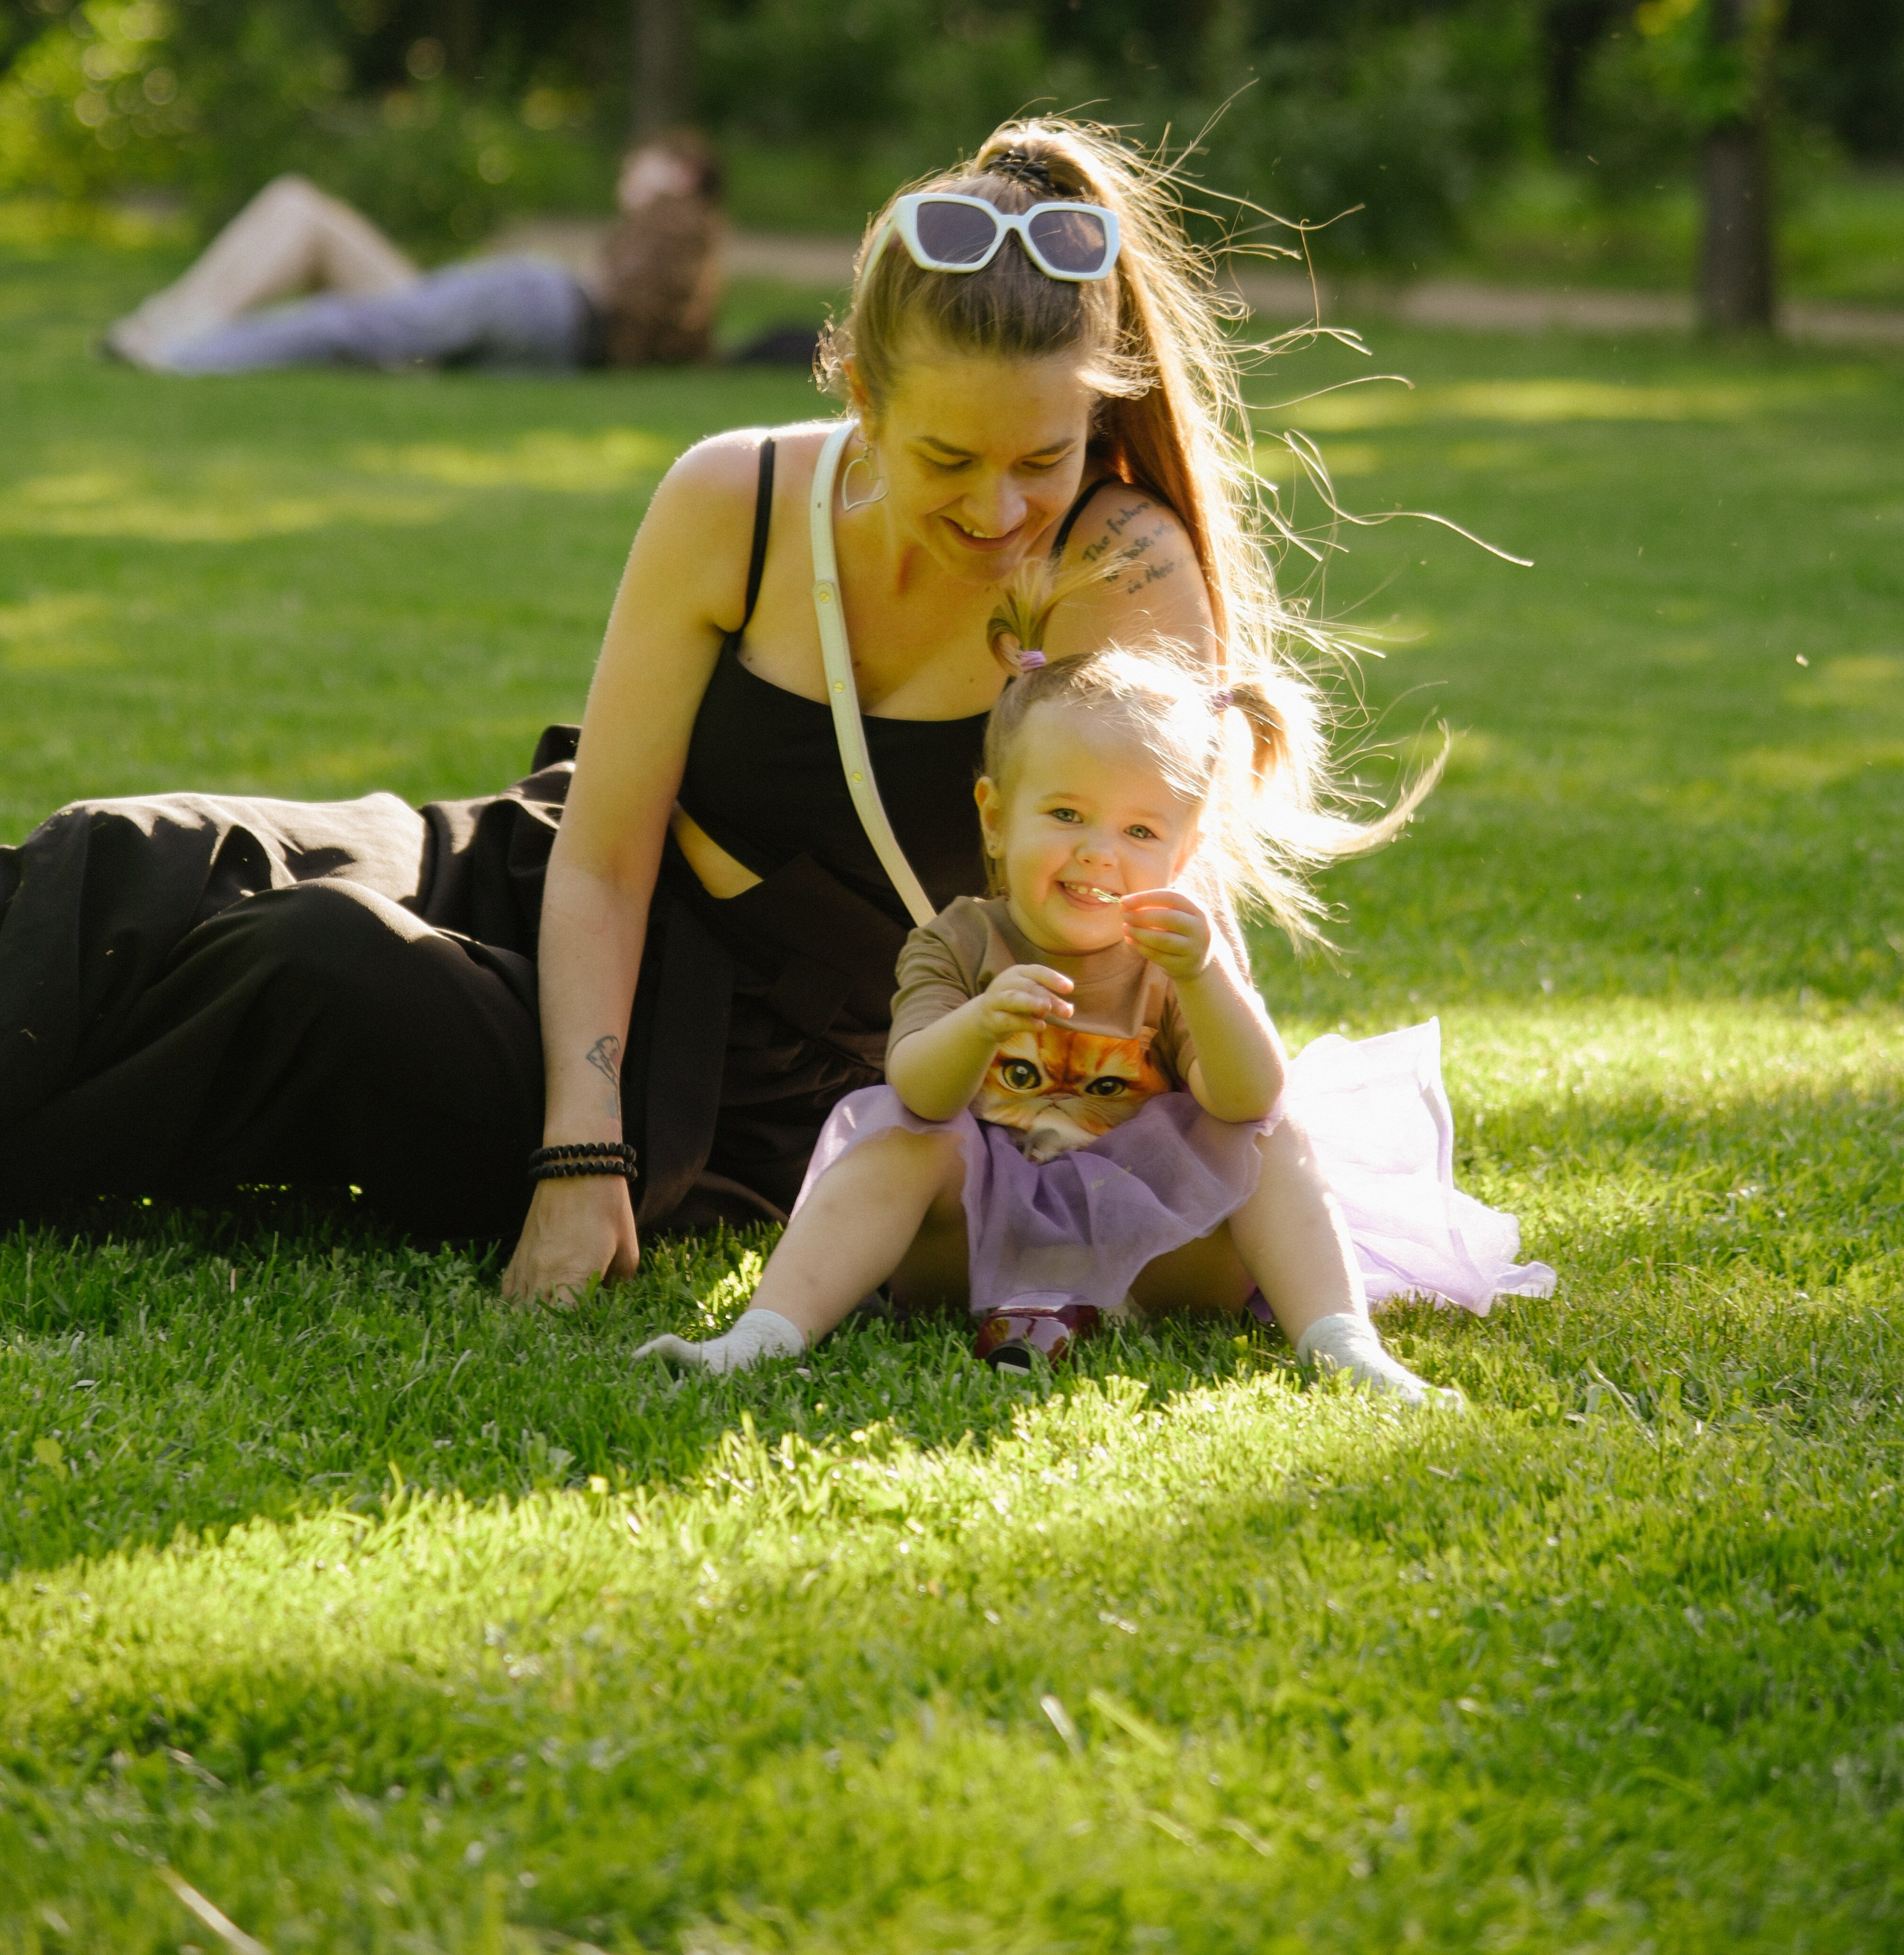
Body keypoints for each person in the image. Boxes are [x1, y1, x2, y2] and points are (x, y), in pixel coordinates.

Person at [0, 118, 1489, 1314]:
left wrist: (596, 1159)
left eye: (1040, 456)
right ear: (854, 385)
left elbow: (1148, 928)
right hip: (557, 890)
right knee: (137, 854)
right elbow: (597, 856)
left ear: (1095, 412)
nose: (997, 504)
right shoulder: (739, 496)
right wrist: (564, 1145)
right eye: (945, 456)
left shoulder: (1121, 575)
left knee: (313, 969)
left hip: (740, 1081)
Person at [632, 604, 1551, 1402]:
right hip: (968, 1249)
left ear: (1183, 852)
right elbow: (913, 1083)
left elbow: (1249, 1098)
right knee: (899, 1142)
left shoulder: (1173, 959)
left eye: (1140, 830)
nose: (1098, 852)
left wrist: (1208, 981)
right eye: (1065, 815)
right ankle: (759, 1337)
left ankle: (1344, 1345)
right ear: (995, 816)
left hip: (1157, 1251)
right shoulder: (959, 940)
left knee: (1277, 1140)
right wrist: (978, 1023)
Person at [97, 132, 723, 374]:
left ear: (683, 172)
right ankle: (171, 322)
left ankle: (180, 350)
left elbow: (624, 316)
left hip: (538, 300)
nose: (630, 160)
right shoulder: (688, 243)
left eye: (649, 156)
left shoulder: (679, 222)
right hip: (537, 311)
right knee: (298, 207)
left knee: (351, 322)